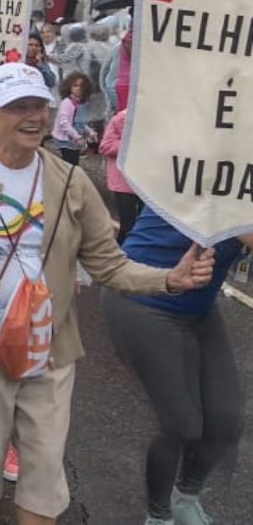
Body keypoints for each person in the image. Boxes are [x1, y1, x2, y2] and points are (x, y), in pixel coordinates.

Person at [0, 62, 216, 525]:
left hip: (50, 352)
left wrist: (169, 280)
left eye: (39, 105)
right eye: (17, 106)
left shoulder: (71, 181)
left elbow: (110, 264)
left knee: (43, 482)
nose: (32, 116)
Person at [102, 208, 249, 525]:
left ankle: (185, 498)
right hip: (141, 298)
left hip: (199, 306)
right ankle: (158, 516)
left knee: (227, 420)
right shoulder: (226, 173)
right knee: (181, 425)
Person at [97, 108, 141, 242]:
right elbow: (105, 147)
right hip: (122, 182)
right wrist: (129, 142)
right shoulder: (121, 119)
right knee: (128, 225)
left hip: (144, 182)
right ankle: (120, 257)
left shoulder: (153, 120)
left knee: (142, 225)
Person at [51, 72, 97, 165]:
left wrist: (90, 132)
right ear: (69, 87)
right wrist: (77, 137)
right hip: (66, 139)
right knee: (70, 163)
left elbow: (79, 123)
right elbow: (64, 123)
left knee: (74, 161)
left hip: (73, 138)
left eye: (82, 86)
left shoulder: (81, 104)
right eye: (75, 85)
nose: (79, 89)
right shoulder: (67, 103)